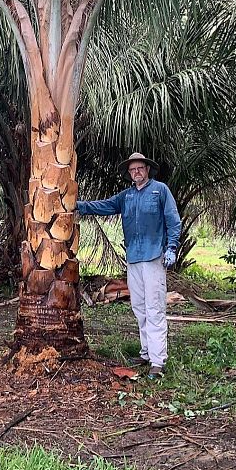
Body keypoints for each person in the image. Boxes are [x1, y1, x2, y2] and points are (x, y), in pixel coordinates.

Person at [76, 151, 182, 378]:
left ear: (147, 170)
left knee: (154, 308)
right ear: (129, 174)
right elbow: (104, 206)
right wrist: (78, 205)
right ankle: (145, 353)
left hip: (154, 258)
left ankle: (157, 361)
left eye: (140, 169)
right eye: (132, 170)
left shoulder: (160, 190)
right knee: (140, 308)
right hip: (134, 258)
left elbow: (173, 221)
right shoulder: (126, 196)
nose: (136, 173)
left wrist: (172, 247)